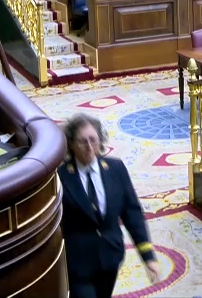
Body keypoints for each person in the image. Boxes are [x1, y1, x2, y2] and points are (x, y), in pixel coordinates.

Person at [58, 114, 159, 298]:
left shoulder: (116, 169)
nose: (89, 147)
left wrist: (148, 256)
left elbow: (132, 213)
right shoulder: (61, 177)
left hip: (110, 257)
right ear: (71, 144)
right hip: (78, 264)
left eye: (93, 140)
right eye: (82, 141)